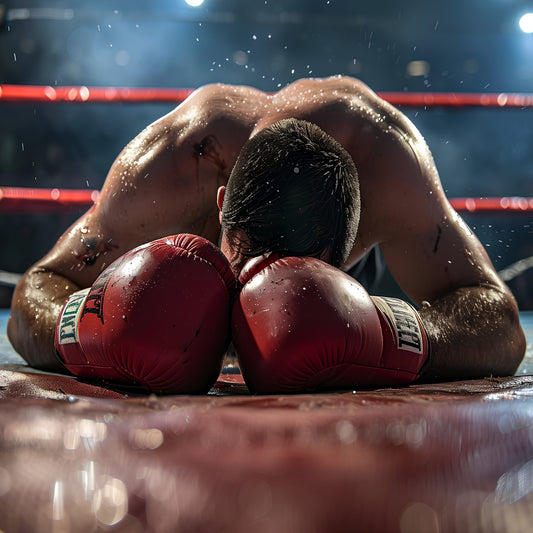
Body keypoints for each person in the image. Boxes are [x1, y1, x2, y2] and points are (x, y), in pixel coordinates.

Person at [7, 76, 526, 384]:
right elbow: (39, 286)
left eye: (287, 275)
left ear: (339, 255)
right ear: (220, 204)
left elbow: (500, 325)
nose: (257, 294)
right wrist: (84, 327)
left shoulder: (387, 164)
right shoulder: (174, 163)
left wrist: (391, 334)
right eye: (245, 262)